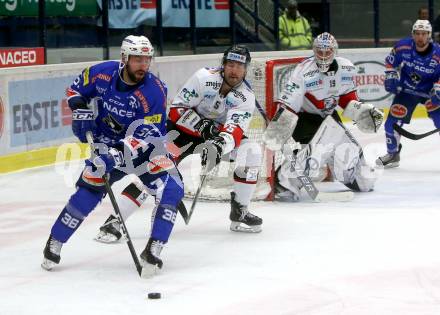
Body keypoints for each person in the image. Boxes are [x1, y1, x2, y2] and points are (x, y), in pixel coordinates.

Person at [41, 35, 184, 276]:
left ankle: (154, 248)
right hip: (105, 144)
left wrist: (115, 157)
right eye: (137, 59)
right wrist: (79, 109)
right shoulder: (102, 73)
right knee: (88, 191)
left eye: (146, 60)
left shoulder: (154, 91)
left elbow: (146, 135)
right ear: (124, 58)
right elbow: (75, 89)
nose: (142, 65)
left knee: (172, 188)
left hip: (147, 150)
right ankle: (55, 241)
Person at [94, 44, 263, 242]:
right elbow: (177, 109)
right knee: (153, 169)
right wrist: (202, 127)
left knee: (252, 152)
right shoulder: (203, 77)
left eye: (240, 66)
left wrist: (218, 146)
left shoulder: (246, 97)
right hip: (181, 132)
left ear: (246, 69)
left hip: (214, 137)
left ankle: (240, 210)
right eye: (231, 64)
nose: (235, 70)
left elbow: (234, 130)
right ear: (223, 65)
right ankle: (114, 221)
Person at [262, 32, 384, 201]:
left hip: (330, 116)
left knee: (365, 181)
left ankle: (354, 178)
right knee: (322, 144)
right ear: (314, 51)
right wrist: (280, 127)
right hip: (306, 119)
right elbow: (289, 104)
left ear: (335, 52)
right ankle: (284, 181)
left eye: (328, 52)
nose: (324, 56)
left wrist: (361, 112)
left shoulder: (346, 68)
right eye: (320, 52)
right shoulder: (303, 71)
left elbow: (347, 99)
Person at [376, 20, 440, 168]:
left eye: (424, 34)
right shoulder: (402, 46)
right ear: (413, 34)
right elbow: (391, 62)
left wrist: (438, 91)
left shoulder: (438, 53)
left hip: (430, 93)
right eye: (417, 33)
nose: (420, 37)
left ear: (429, 35)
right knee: (391, 124)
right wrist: (391, 76)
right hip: (407, 90)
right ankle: (393, 154)